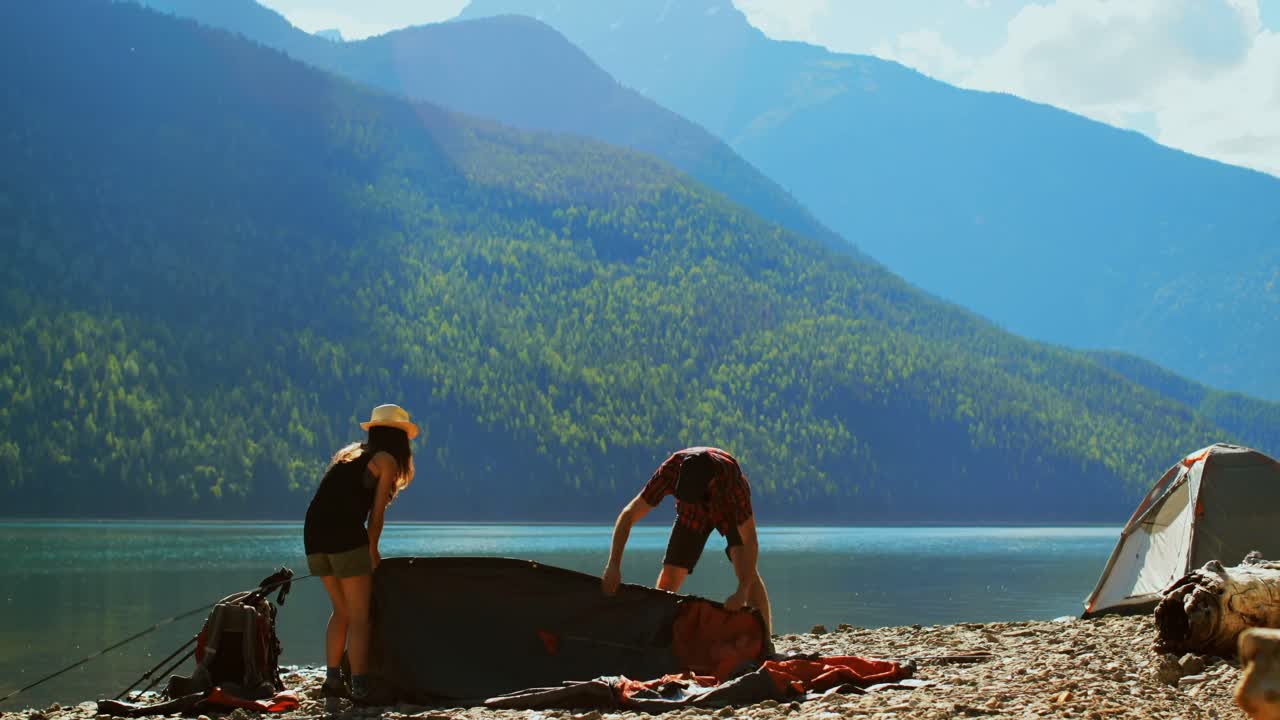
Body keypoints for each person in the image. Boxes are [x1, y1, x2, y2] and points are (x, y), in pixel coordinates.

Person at [303, 403, 418, 700]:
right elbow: (376, 515)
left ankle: (331, 682)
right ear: (400, 438)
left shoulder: (350, 453)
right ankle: (361, 686)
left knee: (340, 611)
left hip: (313, 536)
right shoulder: (386, 460)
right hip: (344, 536)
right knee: (359, 617)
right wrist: (373, 549)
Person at [601, 446, 772, 634]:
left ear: (711, 482)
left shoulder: (732, 482)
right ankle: (657, 633)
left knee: (746, 569)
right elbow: (629, 515)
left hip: (727, 511)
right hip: (691, 516)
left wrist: (742, 590)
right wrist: (613, 565)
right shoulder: (670, 472)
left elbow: (750, 541)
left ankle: (765, 641)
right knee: (669, 577)